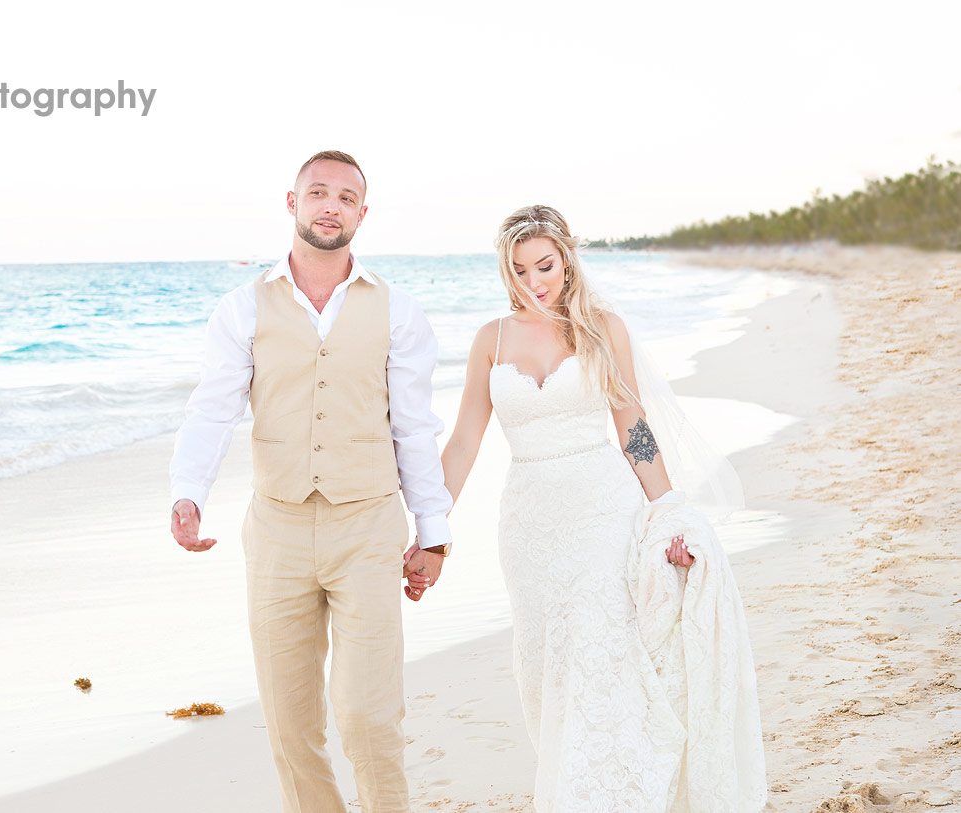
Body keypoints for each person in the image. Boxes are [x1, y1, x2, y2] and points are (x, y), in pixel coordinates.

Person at [428, 205, 766, 811]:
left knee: (603, 657)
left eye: (546, 265)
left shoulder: (603, 329)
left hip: (602, 513)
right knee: (546, 671)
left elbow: (632, 426)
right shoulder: (491, 339)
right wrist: (431, 525)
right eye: (521, 268)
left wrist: (668, 511)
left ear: (568, 258)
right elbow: (462, 443)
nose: (535, 281)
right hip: (529, 525)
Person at [169, 150, 453, 813]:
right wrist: (188, 494)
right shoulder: (241, 308)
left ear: (361, 212)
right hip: (277, 532)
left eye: (346, 196)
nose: (331, 204)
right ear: (292, 202)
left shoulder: (399, 312)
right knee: (292, 724)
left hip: (368, 527)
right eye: (318, 192)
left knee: (366, 714)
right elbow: (212, 410)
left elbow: (414, 428)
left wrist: (433, 533)